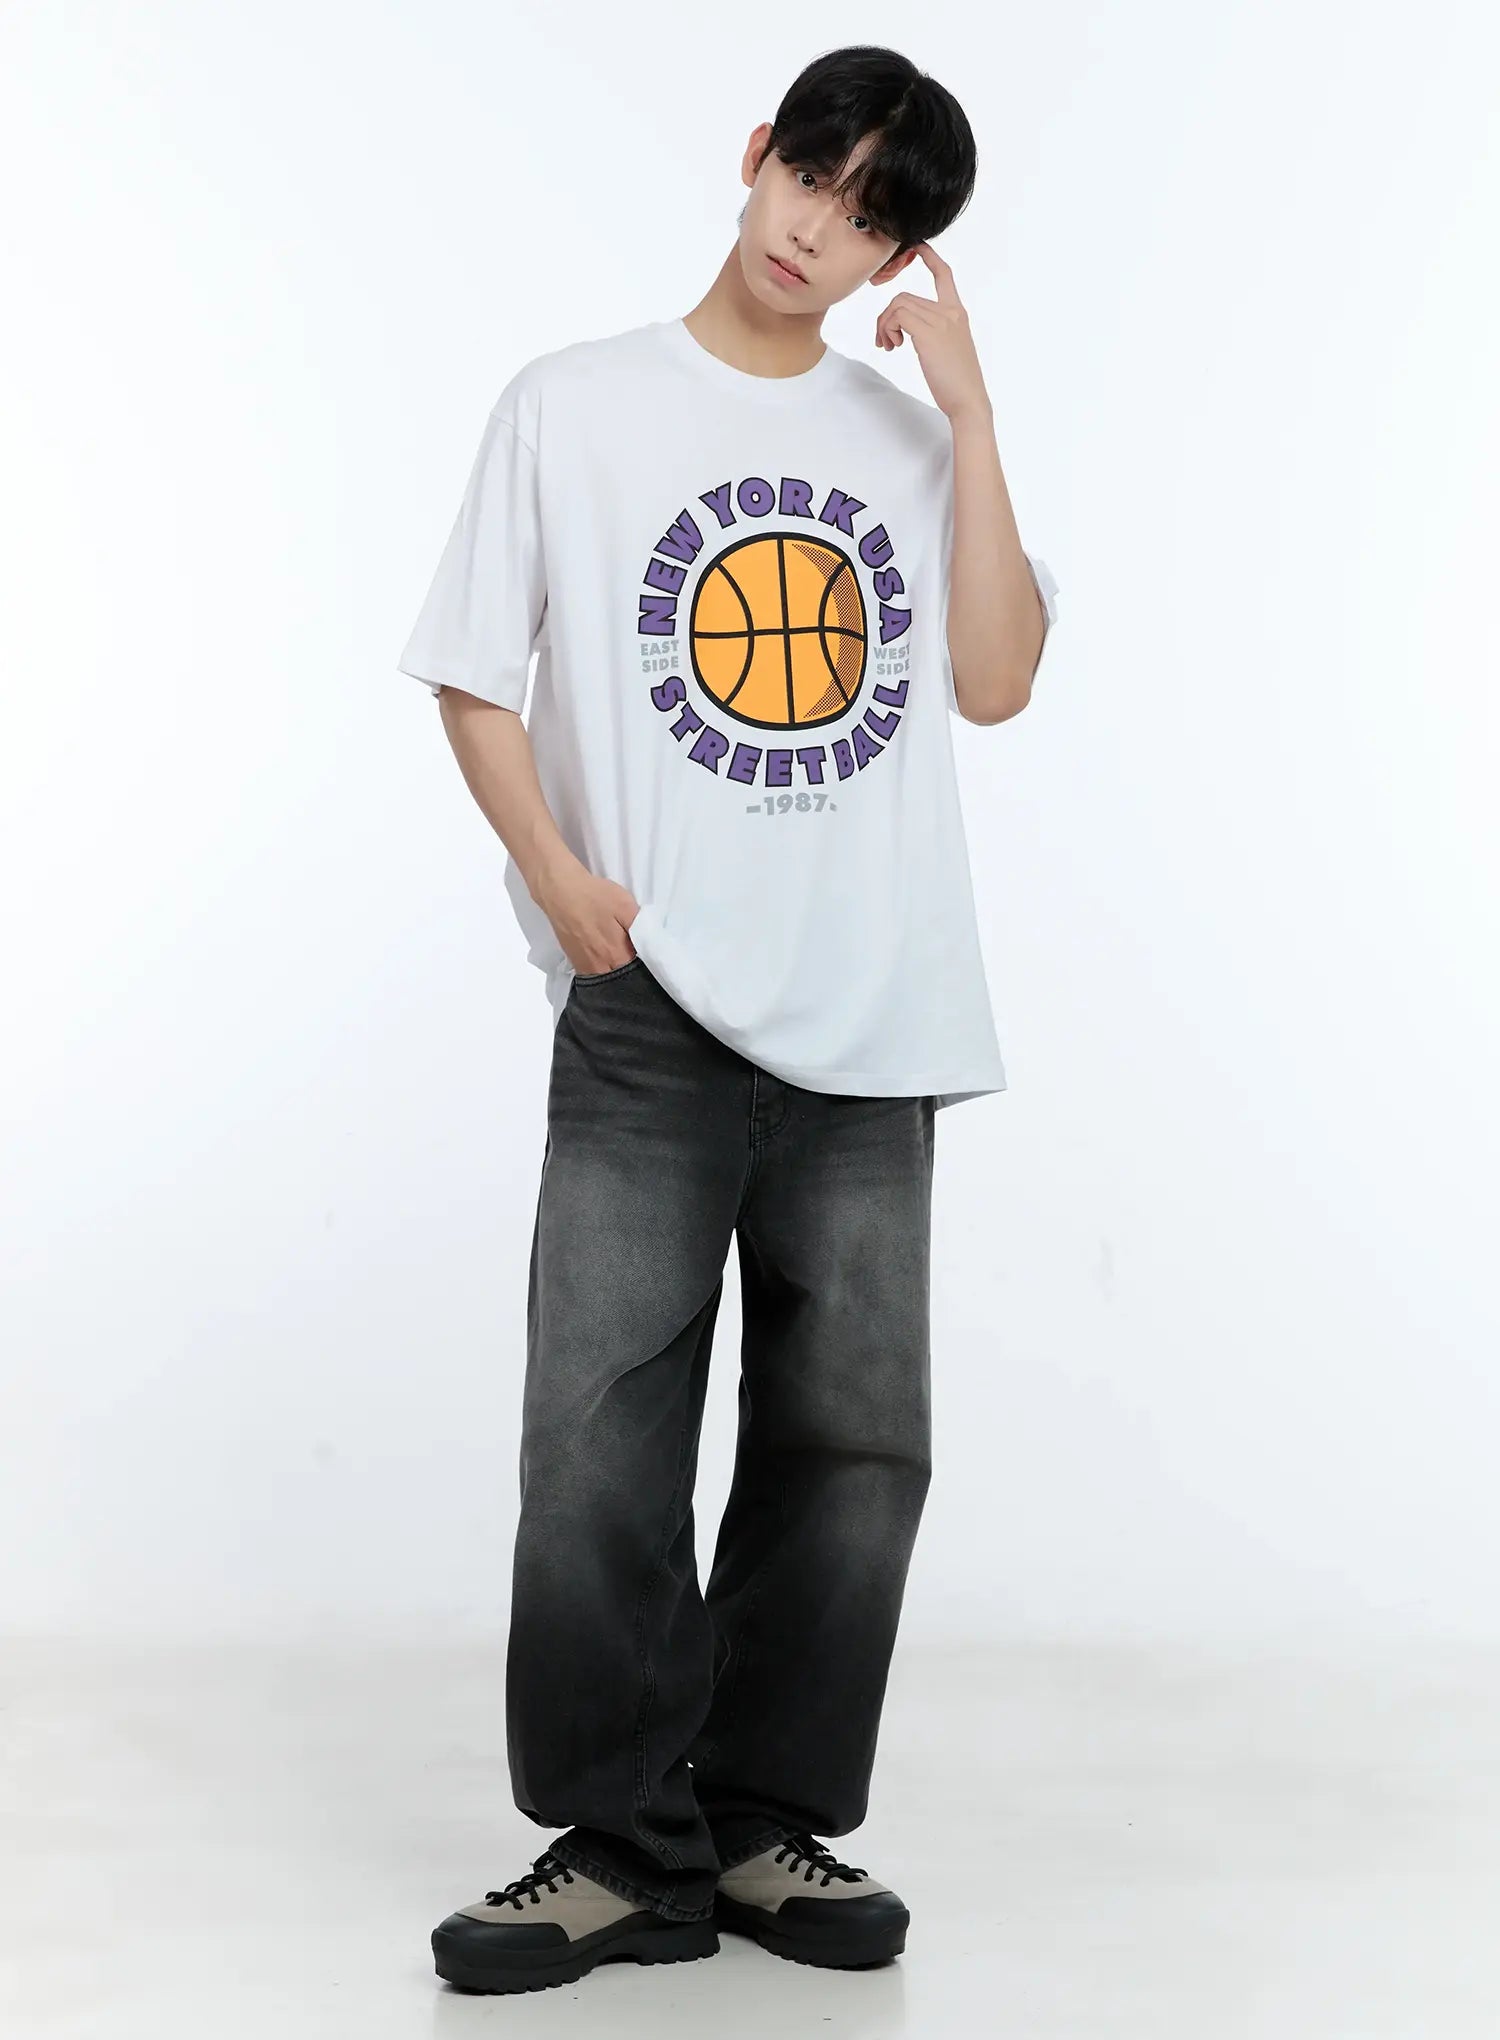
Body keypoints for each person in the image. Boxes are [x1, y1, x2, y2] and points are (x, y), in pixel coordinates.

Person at [396, 42, 1059, 1997]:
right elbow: (470, 672)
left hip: (873, 1008)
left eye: (870, 221)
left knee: (852, 1447)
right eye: (814, 178)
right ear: (759, 151)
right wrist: (559, 879)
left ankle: (762, 1825)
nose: (817, 232)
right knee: (598, 1439)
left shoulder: (909, 443)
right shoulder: (574, 405)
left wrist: (973, 413)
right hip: (652, 1005)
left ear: (898, 258)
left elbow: (999, 677)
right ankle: (620, 1846)